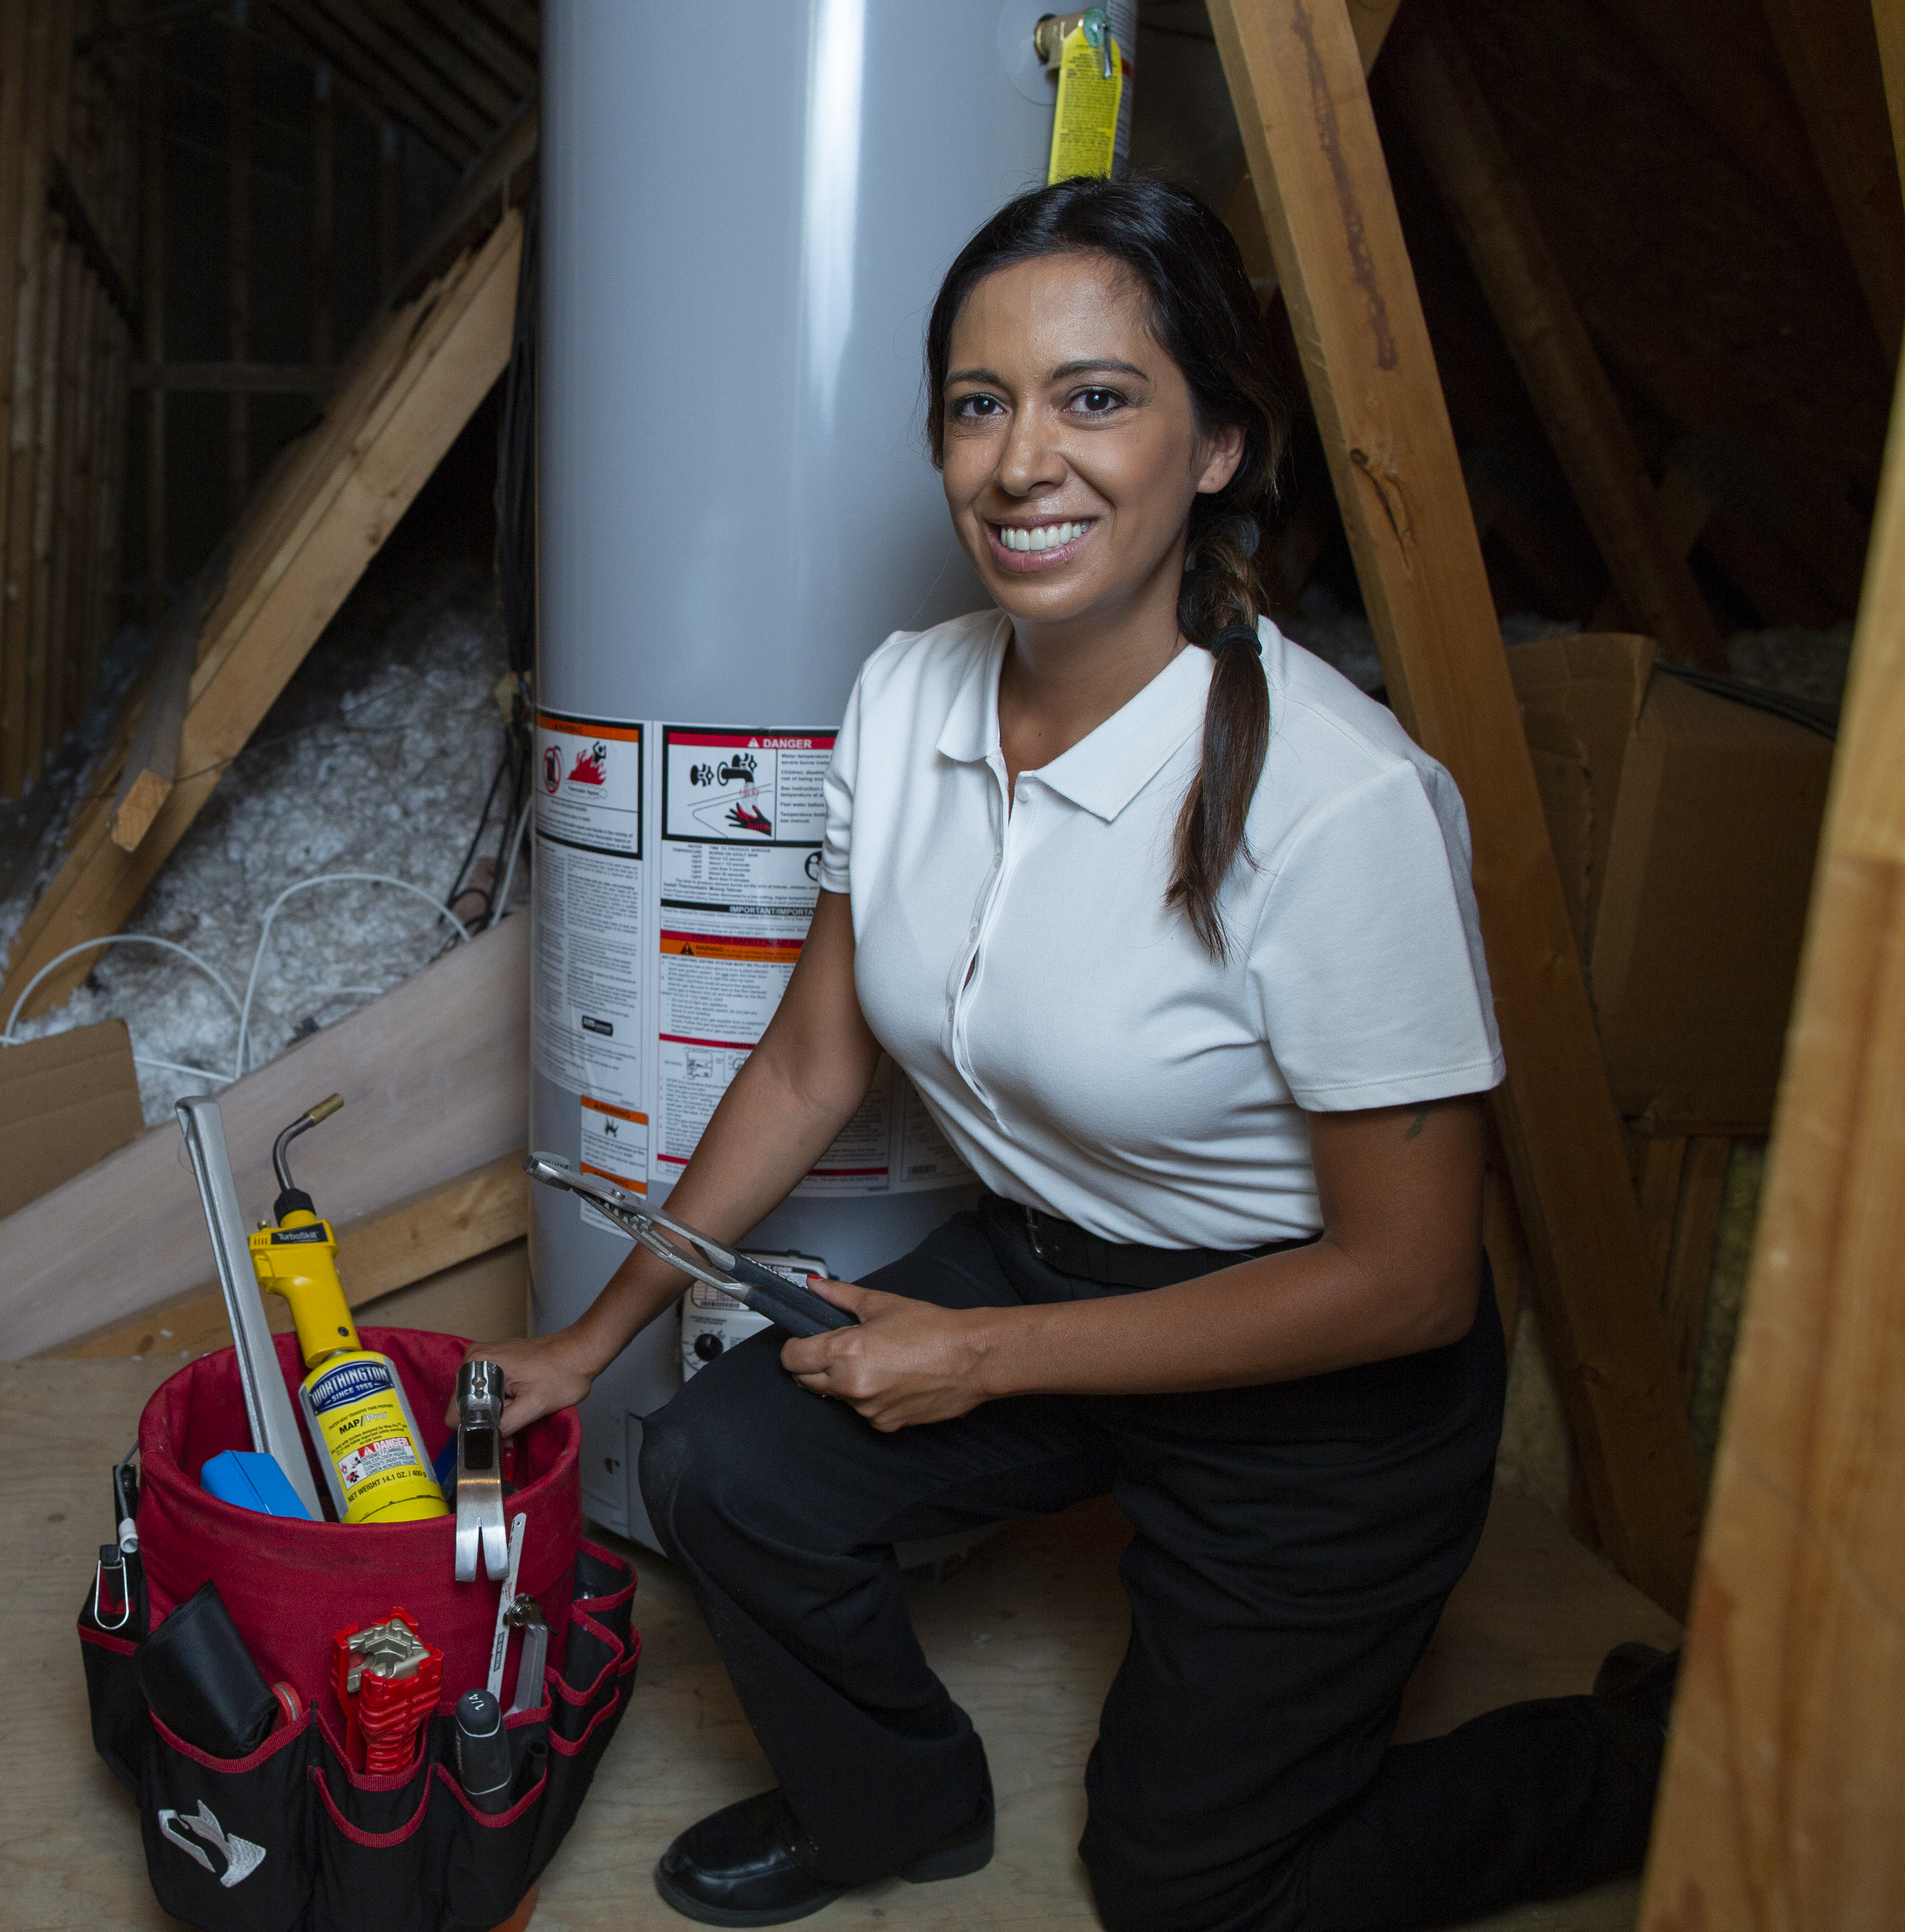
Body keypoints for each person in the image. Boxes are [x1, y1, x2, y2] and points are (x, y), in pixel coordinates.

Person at [467, 176, 1677, 1932]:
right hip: (1060, 1259)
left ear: (1215, 451)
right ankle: (889, 1809)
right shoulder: (905, 698)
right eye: (981, 403)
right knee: (716, 1464)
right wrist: (591, 1342)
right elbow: (813, 1063)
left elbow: (1408, 1284)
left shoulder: (1341, 807)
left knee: (1196, 1897)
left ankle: (1638, 1761)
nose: (1024, 457)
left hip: (1319, 1377)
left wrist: (992, 1357)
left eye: (1096, 397)